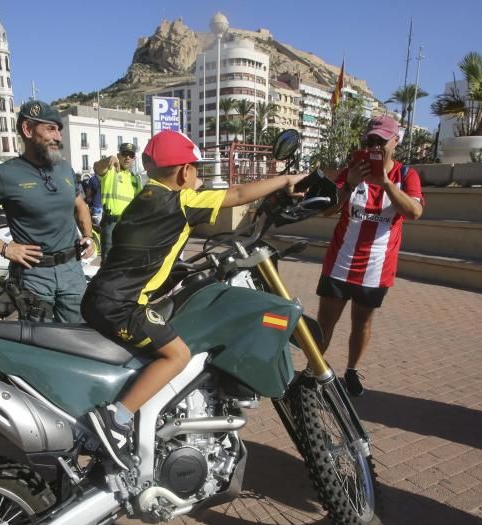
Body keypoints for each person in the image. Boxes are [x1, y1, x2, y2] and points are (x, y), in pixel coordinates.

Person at [81, 130, 306, 470]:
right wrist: (286, 179)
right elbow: (239, 193)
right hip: (121, 307)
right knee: (178, 353)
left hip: (99, 296)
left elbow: (149, 248)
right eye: (196, 170)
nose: (198, 178)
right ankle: (117, 420)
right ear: (184, 173)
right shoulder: (182, 202)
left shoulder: (144, 197)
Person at [316, 115, 424, 396]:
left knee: (362, 323)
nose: (375, 145)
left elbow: (414, 211)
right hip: (339, 263)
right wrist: (349, 184)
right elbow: (326, 210)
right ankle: (313, 371)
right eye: (370, 140)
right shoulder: (351, 171)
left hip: (377, 268)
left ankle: (351, 370)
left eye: (381, 141)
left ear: (395, 142)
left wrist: (386, 183)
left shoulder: (406, 175)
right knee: (325, 323)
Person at [0, 100, 94, 323]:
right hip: (35, 273)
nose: (58, 137)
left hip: (72, 270)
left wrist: (89, 236)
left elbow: (80, 205)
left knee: (80, 336)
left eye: (59, 130)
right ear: (27, 129)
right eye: (50, 128)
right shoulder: (5, 174)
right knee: (40, 339)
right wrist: (6, 249)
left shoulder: (64, 168)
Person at [93, 142, 142, 260]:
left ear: (134, 158)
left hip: (128, 225)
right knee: (109, 260)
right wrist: (108, 160)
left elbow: (140, 202)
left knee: (126, 259)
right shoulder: (110, 170)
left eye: (131, 155)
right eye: (125, 154)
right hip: (111, 223)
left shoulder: (135, 178)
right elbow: (97, 167)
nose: (127, 157)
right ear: (118, 155)